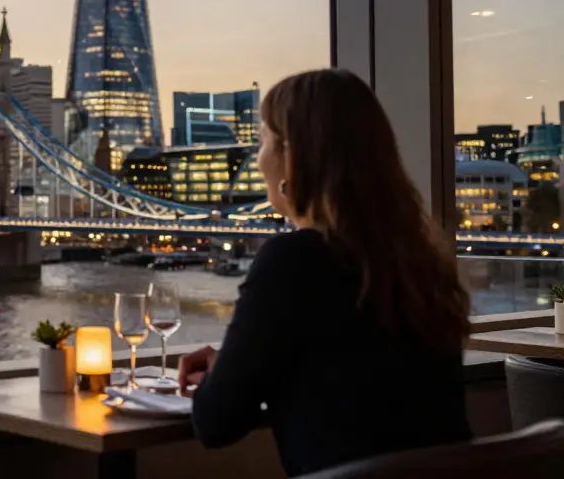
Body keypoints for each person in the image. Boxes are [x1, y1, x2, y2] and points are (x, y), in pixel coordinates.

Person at [178, 69, 471, 476]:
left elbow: (215, 423)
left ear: (292, 157)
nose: (256, 158)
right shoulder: (420, 263)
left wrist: (227, 375)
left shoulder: (293, 261)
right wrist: (234, 364)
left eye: (261, 141)